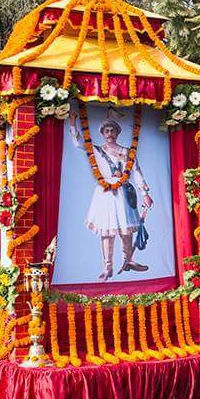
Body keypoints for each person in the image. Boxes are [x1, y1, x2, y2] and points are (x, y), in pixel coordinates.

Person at [69, 107, 154, 281]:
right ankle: (107, 268)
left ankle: (128, 260)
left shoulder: (127, 152)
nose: (110, 133)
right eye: (106, 130)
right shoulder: (97, 151)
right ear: (102, 133)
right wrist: (72, 124)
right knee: (107, 231)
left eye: (112, 130)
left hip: (124, 193)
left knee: (126, 230)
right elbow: (78, 143)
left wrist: (144, 192)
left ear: (117, 132)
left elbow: (136, 171)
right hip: (105, 193)